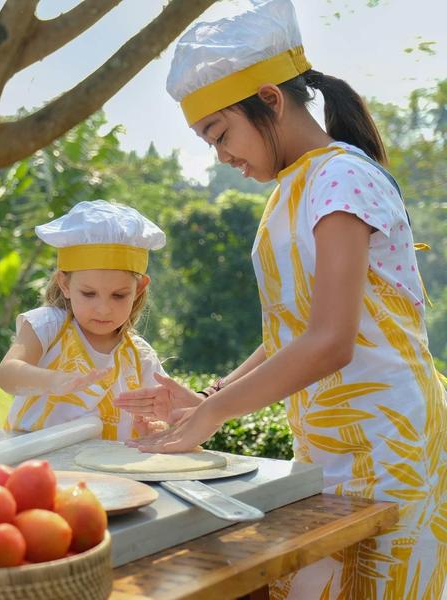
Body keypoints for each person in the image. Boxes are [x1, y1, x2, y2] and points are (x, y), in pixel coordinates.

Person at [113, 0, 447, 598]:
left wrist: (217, 414)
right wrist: (207, 398)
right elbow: (292, 334)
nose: (221, 155)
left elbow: (331, 342)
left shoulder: (343, 176)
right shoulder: (288, 192)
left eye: (220, 133)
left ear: (270, 98)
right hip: (327, 446)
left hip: (390, 444)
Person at [0, 199, 172, 441]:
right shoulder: (47, 326)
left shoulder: (140, 357)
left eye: (119, 296)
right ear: (65, 284)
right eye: (89, 294)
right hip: (35, 468)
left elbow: (167, 414)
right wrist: (53, 381)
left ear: (139, 289)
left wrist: (156, 429)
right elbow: (8, 375)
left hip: (106, 476)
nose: (103, 309)